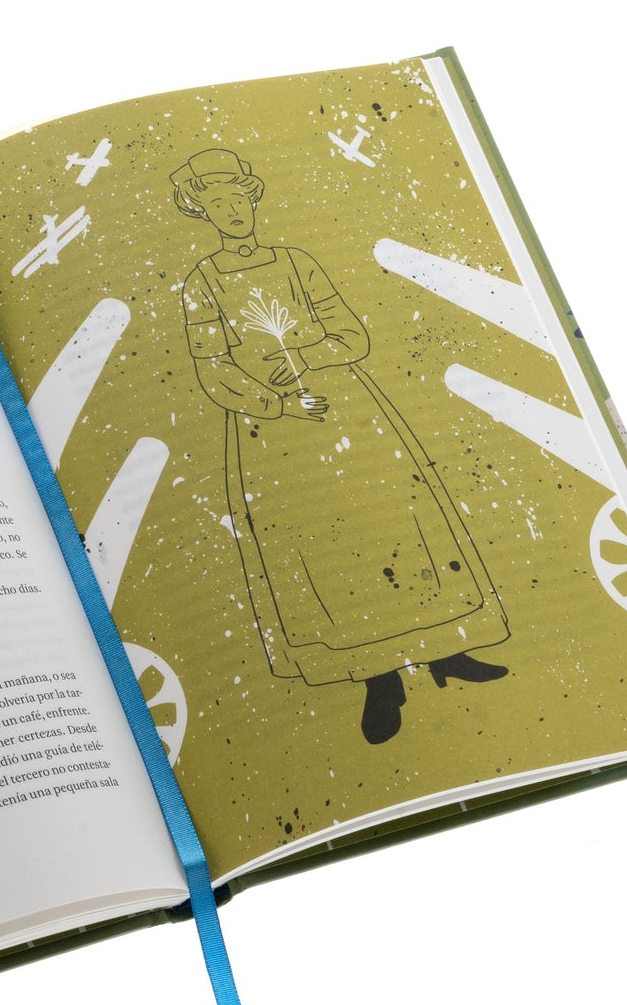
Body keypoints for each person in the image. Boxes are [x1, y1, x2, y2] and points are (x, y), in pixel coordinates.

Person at [174, 149, 510, 744]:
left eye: (237, 199)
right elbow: (212, 369)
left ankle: (445, 650)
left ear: (252, 199)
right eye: (217, 204)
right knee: (324, 548)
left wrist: (303, 356)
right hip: (276, 437)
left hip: (348, 412)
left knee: (398, 525)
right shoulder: (203, 282)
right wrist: (275, 403)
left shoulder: (296, 262)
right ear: (204, 212)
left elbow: (352, 335)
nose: (232, 212)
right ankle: (379, 679)